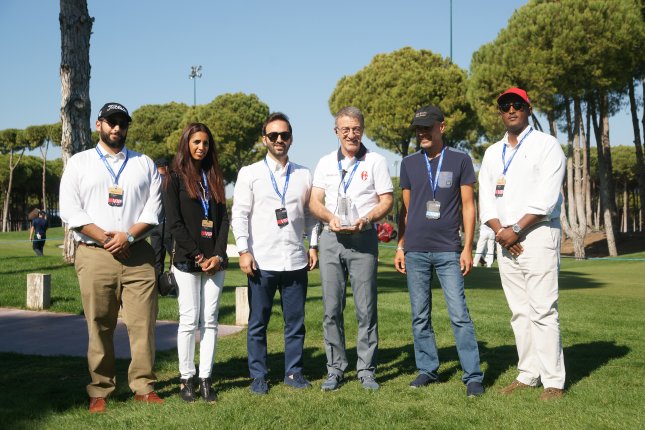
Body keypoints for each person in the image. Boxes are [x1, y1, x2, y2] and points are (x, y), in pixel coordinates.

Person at [59, 102, 164, 413]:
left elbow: (154, 210)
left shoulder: (143, 163)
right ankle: (100, 390)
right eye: (111, 122)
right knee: (99, 324)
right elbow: (71, 210)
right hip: (95, 253)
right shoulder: (79, 163)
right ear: (98, 125)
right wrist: (107, 237)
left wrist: (127, 236)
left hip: (138, 253)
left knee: (143, 323)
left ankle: (144, 386)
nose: (117, 127)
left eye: (122, 122)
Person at [478, 87, 566, 401]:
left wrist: (517, 229)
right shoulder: (492, 152)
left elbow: (547, 198)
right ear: (500, 112)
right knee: (519, 312)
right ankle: (528, 374)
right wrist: (502, 231)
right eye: (505, 106)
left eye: (517, 105)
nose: (511, 110)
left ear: (528, 109)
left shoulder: (547, 145)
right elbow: (486, 199)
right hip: (506, 239)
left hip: (538, 235)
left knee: (543, 309)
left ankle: (554, 381)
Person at [393, 105, 485, 397]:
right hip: (415, 250)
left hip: (448, 250)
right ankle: (427, 369)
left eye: (427, 127)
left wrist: (467, 247)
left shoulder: (460, 160)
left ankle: (472, 375)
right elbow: (405, 211)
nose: (422, 133)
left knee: (459, 315)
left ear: (441, 127)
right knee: (420, 315)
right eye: (418, 128)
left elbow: (469, 207)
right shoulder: (408, 163)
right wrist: (400, 245)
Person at [232, 112, 319, 395]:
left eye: (284, 135)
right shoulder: (250, 173)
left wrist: (313, 244)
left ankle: (293, 373)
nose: (279, 140)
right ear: (264, 139)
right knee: (258, 323)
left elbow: (310, 215)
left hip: (295, 260)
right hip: (262, 261)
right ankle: (259, 375)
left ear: (291, 138)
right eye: (273, 136)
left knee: (296, 323)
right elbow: (240, 215)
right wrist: (244, 250)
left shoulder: (304, 174)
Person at [309, 106, 393, 391]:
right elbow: (314, 201)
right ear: (336, 132)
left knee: (366, 309)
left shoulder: (376, 161)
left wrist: (368, 218)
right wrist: (329, 218)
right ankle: (335, 368)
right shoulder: (324, 163)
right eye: (345, 129)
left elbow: (386, 200)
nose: (351, 134)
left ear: (362, 130)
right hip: (331, 239)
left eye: (356, 128)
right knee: (332, 308)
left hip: (363, 238)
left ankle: (366, 369)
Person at [163, 123, 229, 403]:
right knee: (189, 321)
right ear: (186, 144)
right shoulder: (174, 178)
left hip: (214, 262)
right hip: (188, 262)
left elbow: (224, 219)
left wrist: (217, 255)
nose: (201, 147)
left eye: (205, 142)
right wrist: (199, 257)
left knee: (210, 322)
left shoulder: (214, 177)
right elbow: (174, 224)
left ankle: (205, 378)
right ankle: (186, 378)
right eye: (196, 142)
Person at [151, 157, 172, 277]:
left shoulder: (152, 181)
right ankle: (173, 284)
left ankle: (157, 285)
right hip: (169, 224)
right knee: (174, 258)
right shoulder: (170, 181)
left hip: (154, 225)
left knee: (156, 258)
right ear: (167, 167)